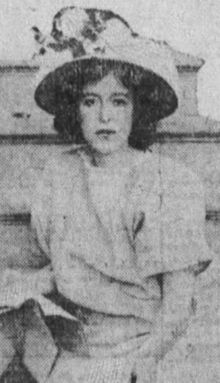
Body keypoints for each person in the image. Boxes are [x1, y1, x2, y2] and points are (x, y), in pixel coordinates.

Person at [0, 6, 212, 383]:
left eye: (119, 101)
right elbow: (73, 269)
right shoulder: (59, 173)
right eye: (89, 101)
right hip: (71, 339)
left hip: (141, 346)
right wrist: (21, 285)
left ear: (138, 110)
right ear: (74, 110)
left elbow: (179, 302)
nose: (104, 117)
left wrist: (146, 361)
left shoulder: (166, 182)